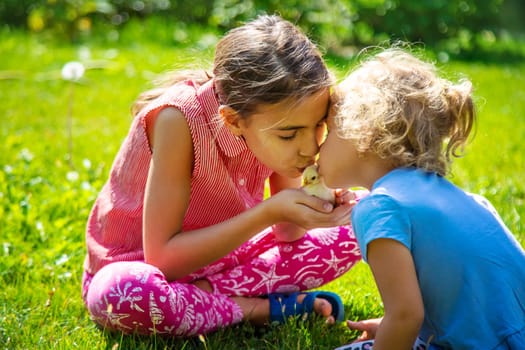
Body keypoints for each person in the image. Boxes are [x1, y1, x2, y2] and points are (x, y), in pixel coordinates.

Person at [82, 14, 362, 337]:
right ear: (232, 121)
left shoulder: (274, 127)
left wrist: (322, 204)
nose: (309, 147)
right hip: (142, 271)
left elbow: (288, 234)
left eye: (317, 125)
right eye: (289, 135)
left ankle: (205, 301)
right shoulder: (178, 121)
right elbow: (162, 260)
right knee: (123, 293)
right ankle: (254, 309)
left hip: (224, 260)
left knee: (361, 215)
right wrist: (269, 212)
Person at [318, 48, 525, 349]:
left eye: (328, 131)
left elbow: (405, 315)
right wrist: (393, 328)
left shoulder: (380, 206)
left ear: (362, 134)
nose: (316, 146)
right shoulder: (465, 199)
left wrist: (397, 330)